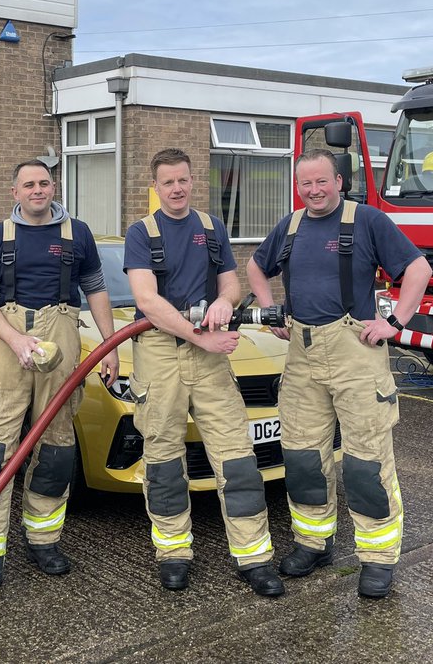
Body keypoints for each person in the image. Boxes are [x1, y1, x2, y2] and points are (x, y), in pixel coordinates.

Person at [246, 148, 431, 599]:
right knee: (304, 457)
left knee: (365, 462)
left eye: (321, 182)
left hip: (356, 353)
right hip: (303, 355)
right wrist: (270, 310)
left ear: (339, 181)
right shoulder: (289, 226)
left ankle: (378, 559)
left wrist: (395, 322)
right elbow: (255, 265)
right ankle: (314, 544)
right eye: (305, 184)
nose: (313, 191)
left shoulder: (366, 220)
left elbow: (418, 269)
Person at [0, 159, 120, 607]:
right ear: (15, 192)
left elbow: (97, 289)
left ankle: (43, 540)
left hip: (62, 337)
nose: (38, 190)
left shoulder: (77, 233)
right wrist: (14, 338)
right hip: (9, 339)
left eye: (44, 182)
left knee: (58, 446)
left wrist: (110, 347)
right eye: (29, 184)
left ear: (53, 187)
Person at [123, 148, 283, 597]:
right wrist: (201, 338)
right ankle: (173, 553)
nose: (177, 189)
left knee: (236, 457)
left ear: (194, 181)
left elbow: (230, 283)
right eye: (168, 182)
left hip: (209, 356)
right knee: (164, 461)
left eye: (184, 180)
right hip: (161, 352)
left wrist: (223, 302)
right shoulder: (142, 233)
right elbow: (148, 301)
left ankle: (253, 558)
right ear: (155, 187)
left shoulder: (211, 228)